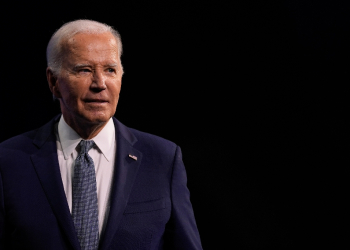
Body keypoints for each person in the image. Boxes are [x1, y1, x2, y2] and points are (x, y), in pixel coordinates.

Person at [0, 19, 202, 250]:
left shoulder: (163, 159)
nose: (100, 84)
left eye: (110, 70)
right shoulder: (8, 161)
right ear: (54, 81)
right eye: (84, 70)